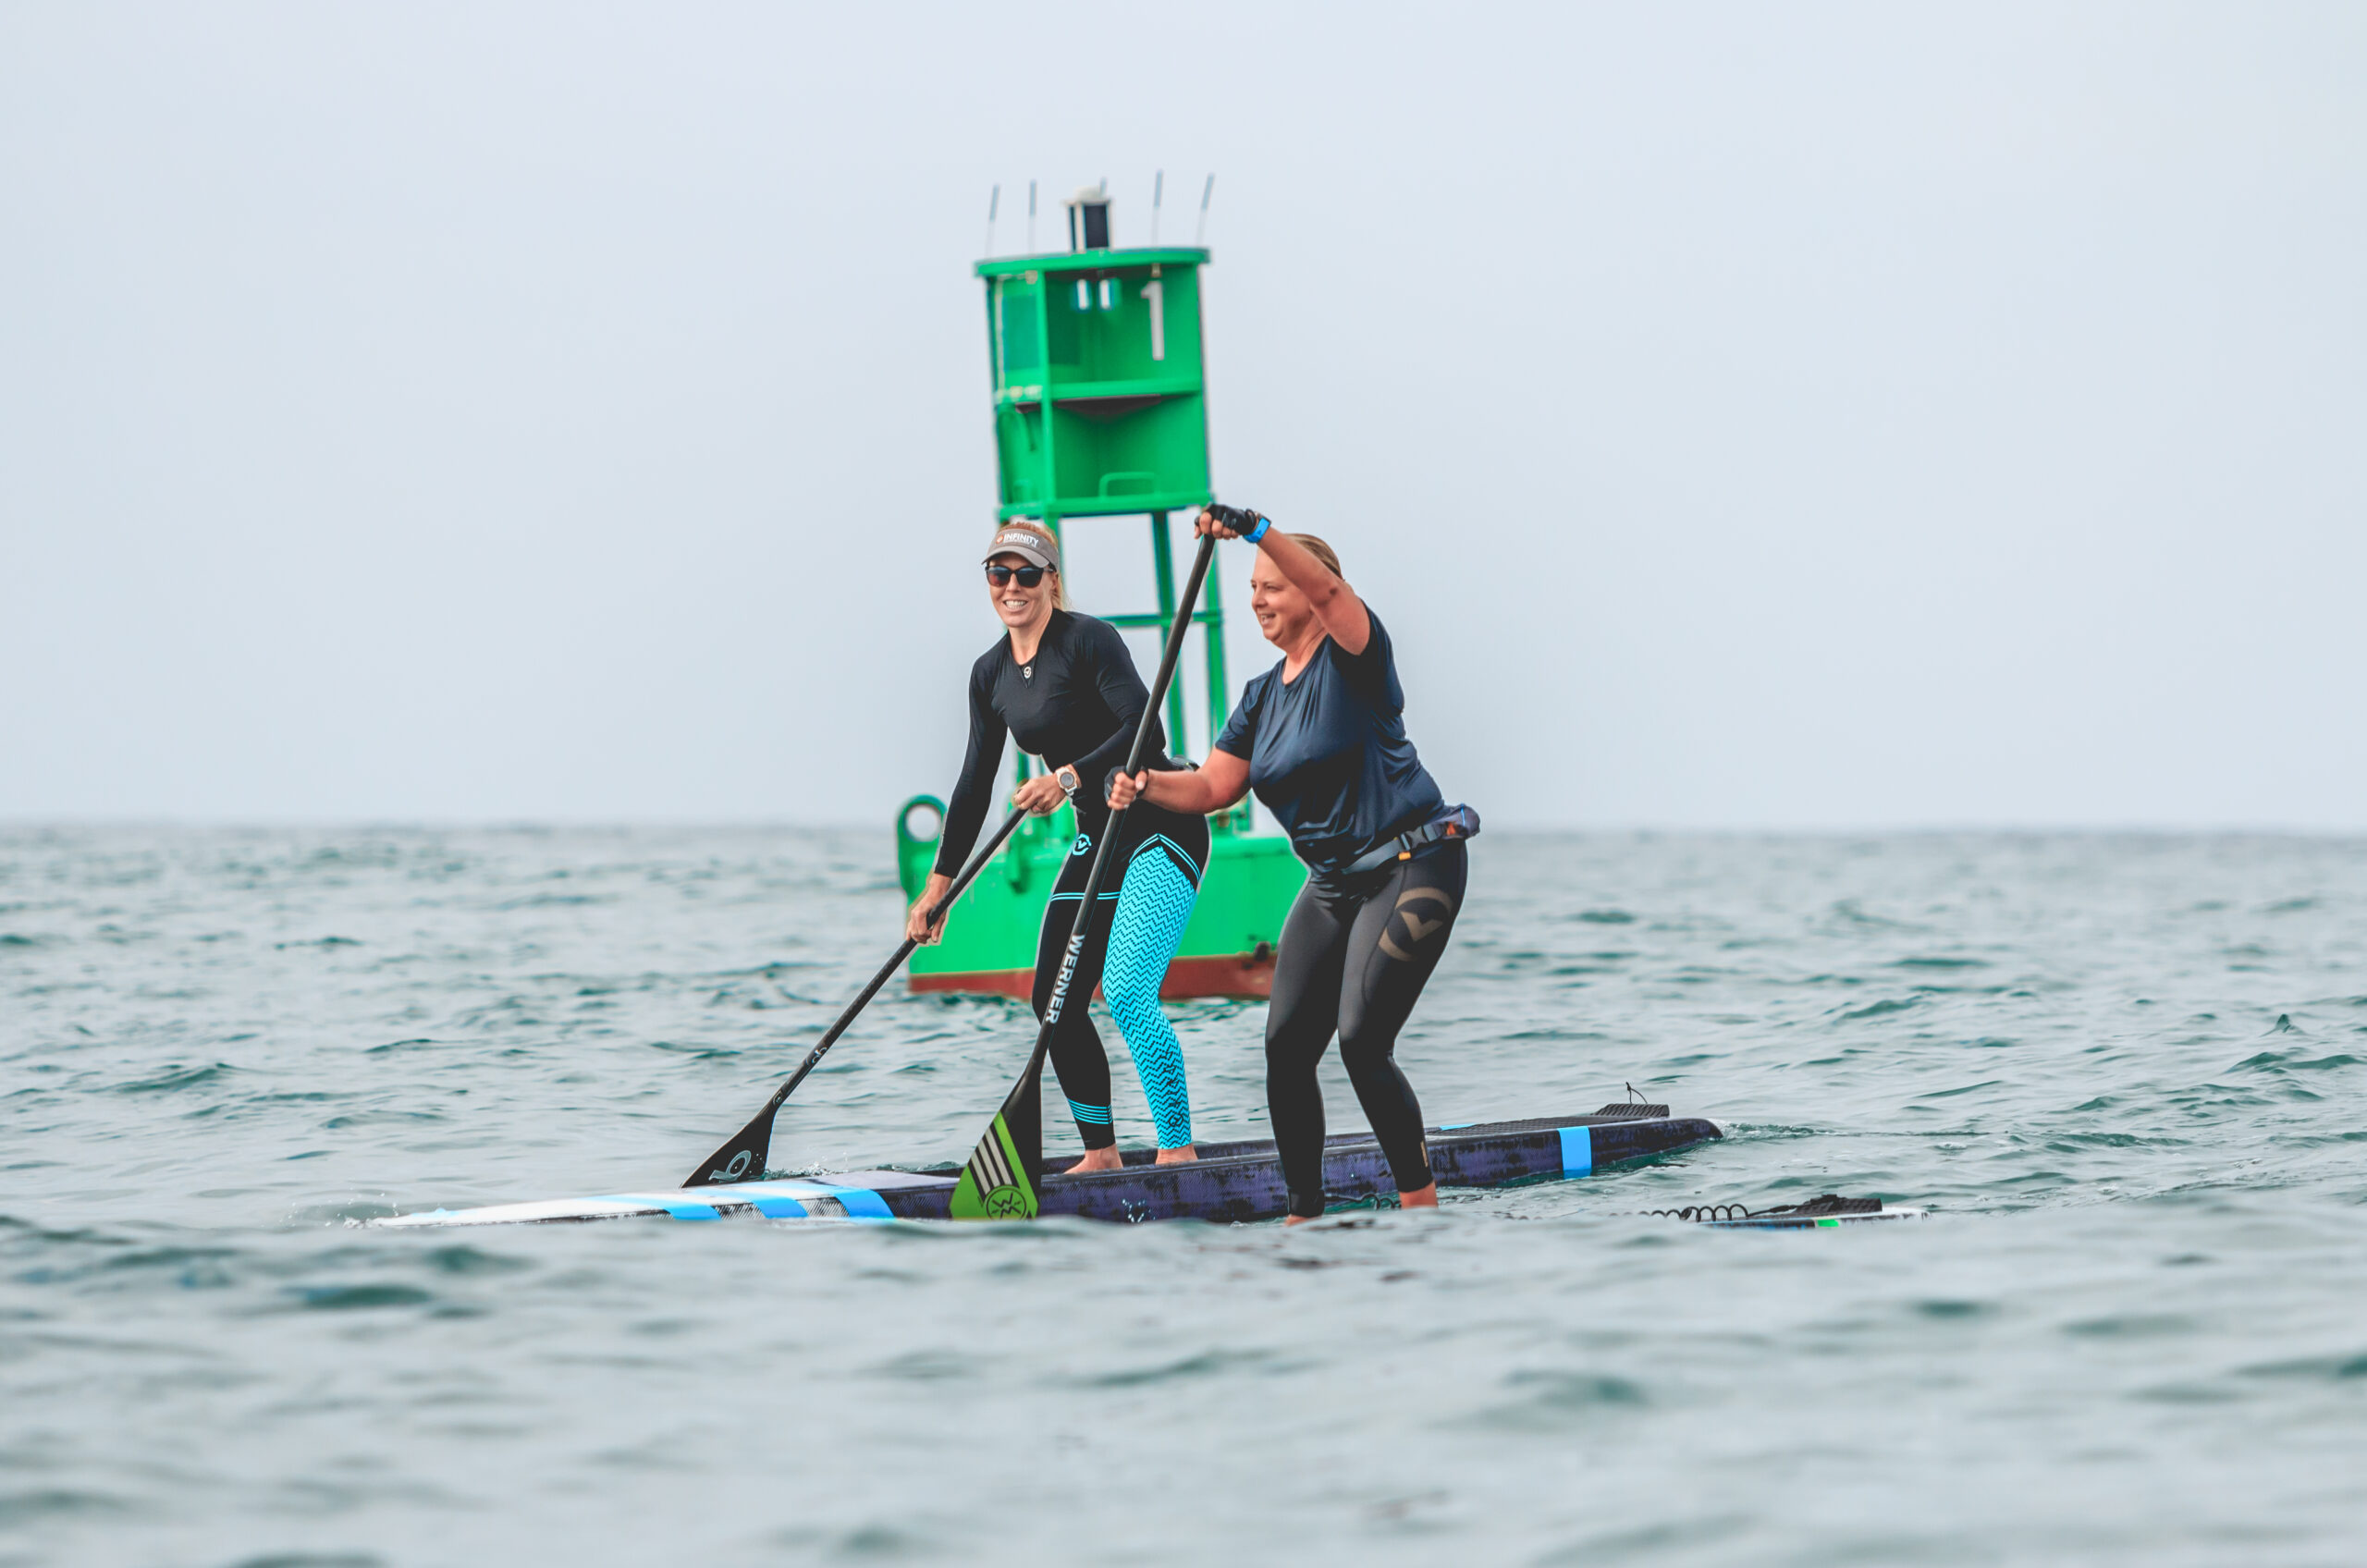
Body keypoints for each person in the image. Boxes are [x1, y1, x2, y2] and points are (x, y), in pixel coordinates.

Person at [1108, 506, 1478, 1222]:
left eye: (1272, 586)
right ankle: (1302, 1217)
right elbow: (1214, 789)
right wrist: (1147, 784)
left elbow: (1339, 598)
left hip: (1413, 863)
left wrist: (1255, 529)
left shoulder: (1356, 655)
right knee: (1284, 1047)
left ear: (1312, 590)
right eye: (1251, 588)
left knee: (1362, 1041)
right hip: (1334, 883)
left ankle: (1421, 1211)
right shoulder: (1259, 698)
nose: (1257, 600)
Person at [912, 521, 1208, 1170]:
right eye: (999, 574)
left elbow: (1146, 731)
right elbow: (973, 782)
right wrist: (940, 886)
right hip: (1095, 834)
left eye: (1025, 574)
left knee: (1128, 991)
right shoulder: (989, 674)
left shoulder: (1088, 641)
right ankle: (1100, 1154)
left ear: (1051, 579)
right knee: (1052, 1001)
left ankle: (1177, 1152)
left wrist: (1068, 776)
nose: (1011, 587)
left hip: (1161, 823)